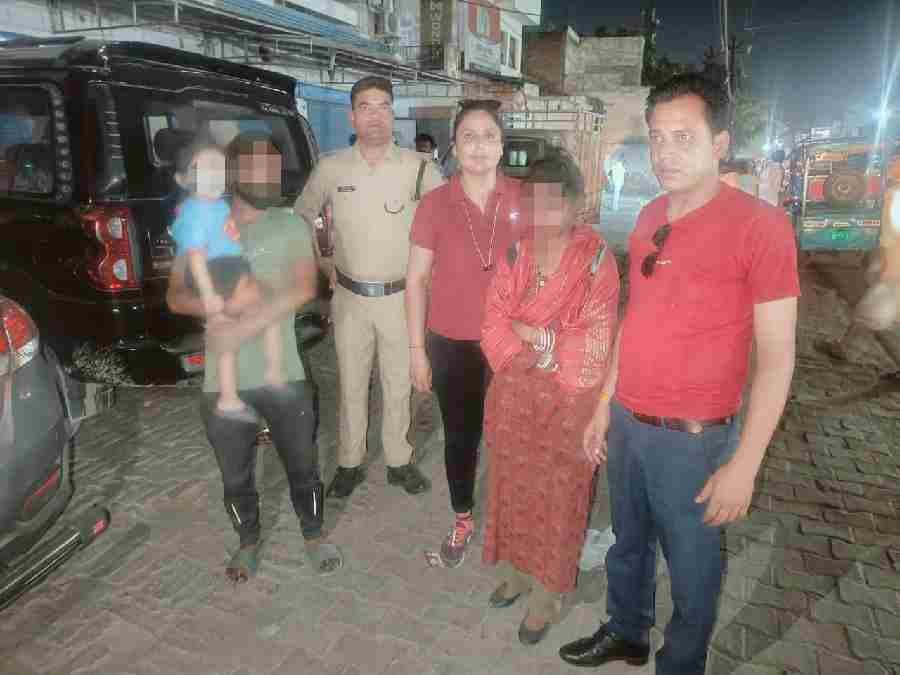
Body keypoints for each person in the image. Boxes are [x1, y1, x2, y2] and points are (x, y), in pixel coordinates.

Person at [558, 74, 799, 674]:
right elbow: (633, 317)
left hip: (694, 441)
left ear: (720, 143)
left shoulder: (761, 227)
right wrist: (603, 405)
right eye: (657, 137)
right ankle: (627, 631)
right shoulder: (648, 216)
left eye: (683, 137)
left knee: (693, 567)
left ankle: (682, 664)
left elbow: (778, 357)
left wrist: (745, 464)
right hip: (628, 422)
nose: (665, 152)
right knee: (627, 542)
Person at [167, 132, 343, 581]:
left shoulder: (289, 224)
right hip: (223, 381)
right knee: (235, 476)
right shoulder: (203, 219)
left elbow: (304, 288)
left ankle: (313, 534)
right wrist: (218, 306)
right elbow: (175, 296)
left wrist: (245, 323)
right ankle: (247, 541)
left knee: (303, 465)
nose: (267, 174)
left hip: (284, 375)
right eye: (256, 165)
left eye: (273, 166)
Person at [479, 151, 620, 646]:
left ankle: (548, 593)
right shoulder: (515, 254)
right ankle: (516, 574)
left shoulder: (595, 260)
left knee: (560, 499)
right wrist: (536, 346)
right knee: (513, 488)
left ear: (576, 205)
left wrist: (537, 339)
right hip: (515, 395)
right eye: (535, 202)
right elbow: (493, 322)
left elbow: (595, 339)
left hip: (569, 402)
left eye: (555, 203)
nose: (544, 214)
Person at [294, 76, 444, 499]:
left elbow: (447, 224)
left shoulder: (419, 168)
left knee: (399, 383)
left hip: (401, 298)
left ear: (392, 113)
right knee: (351, 383)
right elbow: (304, 214)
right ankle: (349, 461)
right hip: (349, 299)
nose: (374, 115)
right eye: (365, 106)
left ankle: (398, 460)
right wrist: (324, 260)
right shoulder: (331, 167)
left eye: (382, 106)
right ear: (352, 116)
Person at [406, 99, 522, 568]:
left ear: (502, 145)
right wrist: (417, 350)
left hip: (513, 341)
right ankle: (463, 517)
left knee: (515, 434)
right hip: (452, 343)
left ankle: (514, 519)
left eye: (489, 136)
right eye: (468, 137)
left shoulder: (524, 199)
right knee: (461, 436)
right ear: (453, 147)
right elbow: (416, 279)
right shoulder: (435, 204)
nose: (479, 146)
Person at [170, 143, 283, 422]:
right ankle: (229, 398)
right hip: (213, 274)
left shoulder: (220, 205)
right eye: (204, 167)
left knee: (266, 317)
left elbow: (232, 237)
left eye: (219, 168)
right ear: (183, 179)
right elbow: (196, 257)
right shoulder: (193, 212)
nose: (213, 174)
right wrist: (208, 294)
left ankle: (271, 373)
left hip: (233, 268)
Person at [818, 175, 900, 362]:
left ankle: (845, 350)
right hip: (890, 271)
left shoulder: (894, 199)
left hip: (892, 273)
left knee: (870, 316)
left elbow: (892, 240)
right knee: (871, 316)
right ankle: (845, 349)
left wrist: (887, 270)